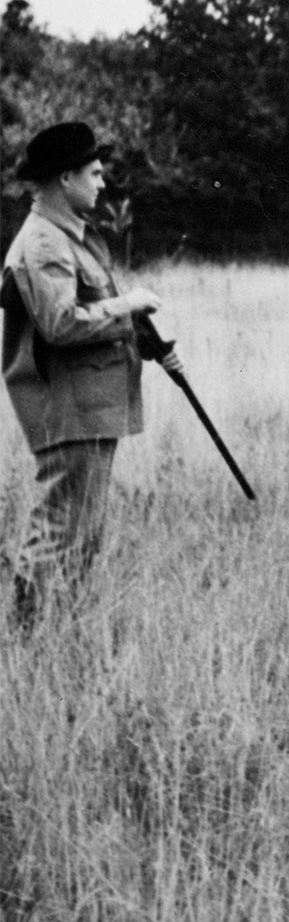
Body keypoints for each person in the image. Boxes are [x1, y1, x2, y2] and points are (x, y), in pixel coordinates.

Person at [2, 121, 178, 627]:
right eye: (95, 173)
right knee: (62, 525)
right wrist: (129, 305)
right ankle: (28, 635)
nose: (102, 184)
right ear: (64, 178)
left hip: (90, 406)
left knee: (83, 530)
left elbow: (91, 310)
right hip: (68, 407)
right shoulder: (44, 245)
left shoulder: (74, 238)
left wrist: (145, 343)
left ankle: (62, 630)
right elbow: (60, 324)